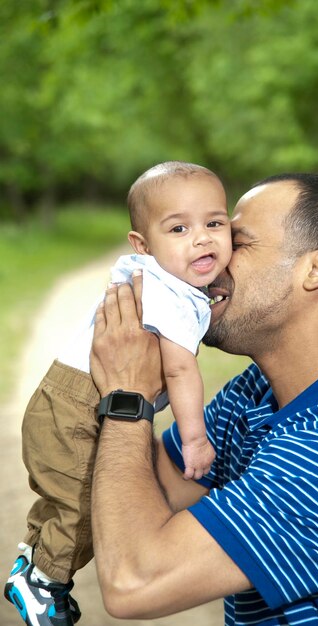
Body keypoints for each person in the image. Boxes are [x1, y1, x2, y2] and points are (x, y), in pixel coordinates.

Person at [89, 173, 318, 626]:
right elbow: (157, 492)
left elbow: (134, 581)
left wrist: (127, 396)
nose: (211, 260)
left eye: (235, 242)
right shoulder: (258, 391)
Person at [4, 161, 232, 626]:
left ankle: (31, 562)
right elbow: (181, 369)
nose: (202, 238)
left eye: (215, 223)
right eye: (179, 228)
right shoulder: (171, 295)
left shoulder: (147, 274)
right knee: (89, 505)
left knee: (67, 496)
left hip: (60, 398)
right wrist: (194, 439)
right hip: (78, 408)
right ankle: (44, 582)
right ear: (144, 245)